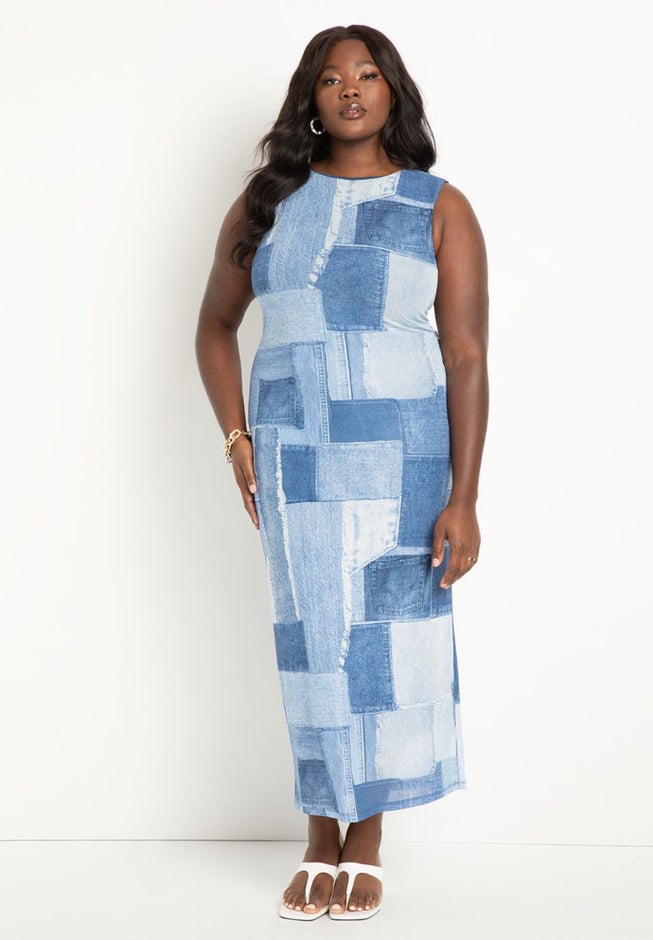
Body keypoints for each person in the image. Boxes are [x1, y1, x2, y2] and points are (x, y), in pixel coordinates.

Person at [196, 23, 488, 922]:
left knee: (388, 646)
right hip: (296, 457)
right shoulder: (268, 203)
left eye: (366, 74)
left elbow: (467, 357)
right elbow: (214, 326)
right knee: (316, 637)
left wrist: (465, 498)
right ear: (310, 100)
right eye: (330, 78)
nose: (350, 88)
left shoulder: (438, 205)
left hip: (405, 463)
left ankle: (366, 837)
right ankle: (319, 830)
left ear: (392, 91)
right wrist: (237, 439)